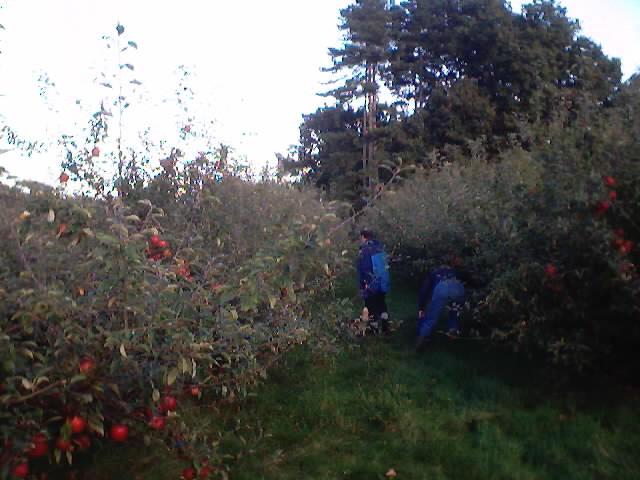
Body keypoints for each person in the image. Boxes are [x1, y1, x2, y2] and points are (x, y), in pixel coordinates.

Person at [416, 255, 469, 351]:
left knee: (431, 317)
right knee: (455, 312)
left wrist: (421, 306)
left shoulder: (434, 273)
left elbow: (424, 291)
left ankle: (421, 341)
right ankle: (453, 332)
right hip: (458, 291)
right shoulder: (456, 273)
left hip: (442, 291)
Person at [357, 229, 390, 333]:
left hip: (372, 282)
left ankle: (373, 329)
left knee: (371, 305)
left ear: (363, 237)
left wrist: (365, 283)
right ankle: (385, 325)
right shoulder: (380, 247)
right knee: (381, 303)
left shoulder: (365, 249)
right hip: (383, 281)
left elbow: (365, 267)